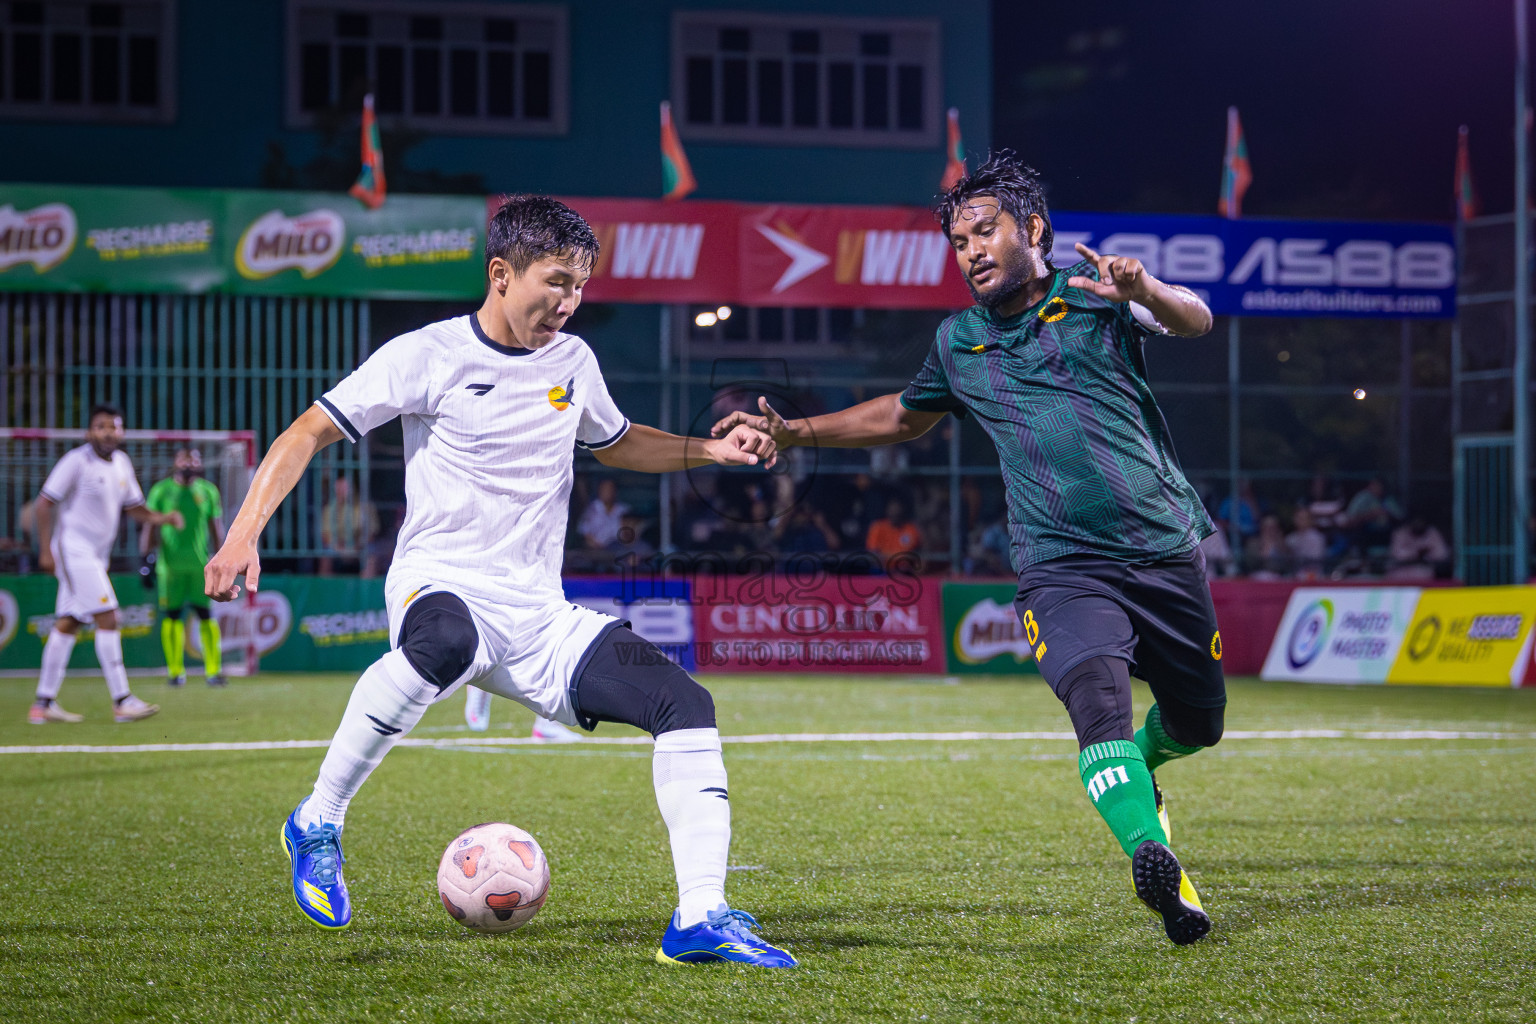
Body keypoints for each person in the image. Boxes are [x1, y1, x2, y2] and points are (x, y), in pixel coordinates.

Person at [204, 195, 795, 967]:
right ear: (500, 273)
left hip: (538, 614)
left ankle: (700, 918)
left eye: (580, 286)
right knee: (446, 642)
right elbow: (309, 429)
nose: (568, 302)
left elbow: (616, 443)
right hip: (440, 583)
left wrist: (709, 453)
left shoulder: (574, 362)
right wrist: (243, 533)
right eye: (556, 281)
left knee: (684, 703)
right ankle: (317, 820)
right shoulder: (429, 354)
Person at [714, 153, 1223, 945]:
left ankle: (1146, 766)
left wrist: (1146, 290)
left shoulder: (1098, 299)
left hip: (1163, 548)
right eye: (959, 241)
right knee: (1096, 705)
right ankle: (1150, 851)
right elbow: (902, 416)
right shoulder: (960, 342)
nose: (973, 250)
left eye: (986, 232)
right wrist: (795, 430)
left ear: (1036, 231)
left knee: (1198, 724)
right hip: (1060, 566)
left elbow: (1197, 318)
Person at [29, 404, 181, 724]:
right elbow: (44, 504)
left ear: (122, 432)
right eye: (101, 426)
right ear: (89, 432)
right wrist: (45, 549)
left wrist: (162, 518)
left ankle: (42, 704)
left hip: (96, 556)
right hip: (73, 551)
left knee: (69, 621)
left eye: (114, 427)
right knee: (108, 616)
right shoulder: (76, 461)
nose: (108, 432)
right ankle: (122, 700)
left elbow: (134, 507)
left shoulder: (122, 463)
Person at [142, 448, 227, 687]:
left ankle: (213, 671)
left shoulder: (208, 491)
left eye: (194, 459)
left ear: (199, 463)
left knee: (205, 614)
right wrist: (144, 559)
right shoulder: (161, 490)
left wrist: (222, 558)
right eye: (184, 459)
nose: (189, 464)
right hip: (169, 566)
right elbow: (150, 525)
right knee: (172, 616)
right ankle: (175, 672)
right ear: (175, 462)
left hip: (201, 565)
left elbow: (215, 527)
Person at [318, 474, 378, 576]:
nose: (343, 491)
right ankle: (326, 588)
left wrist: (356, 547)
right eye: (339, 488)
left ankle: (366, 588)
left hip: (359, 546)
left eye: (346, 487)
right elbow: (326, 536)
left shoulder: (366, 507)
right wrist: (340, 549)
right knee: (325, 555)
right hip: (337, 548)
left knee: (371, 554)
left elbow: (371, 534)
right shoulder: (329, 509)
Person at [577, 478, 629, 549]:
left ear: (615, 491)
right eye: (604, 489)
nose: (606, 492)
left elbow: (630, 534)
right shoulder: (591, 509)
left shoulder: (624, 510)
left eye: (609, 489)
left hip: (619, 549)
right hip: (594, 550)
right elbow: (585, 533)